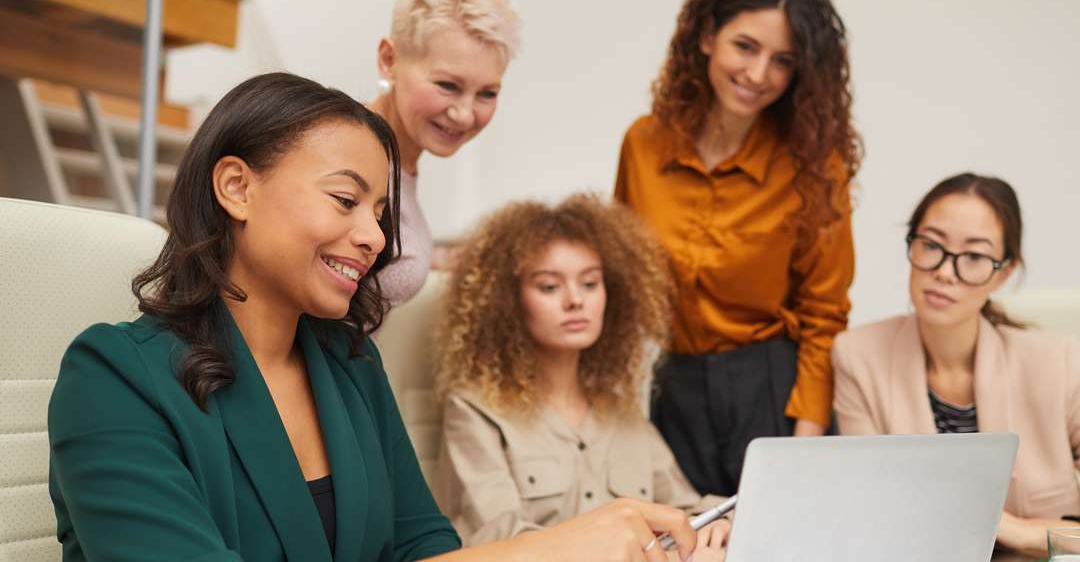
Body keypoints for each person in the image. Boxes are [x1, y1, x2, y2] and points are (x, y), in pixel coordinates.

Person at [47, 73, 707, 562]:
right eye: (345, 200)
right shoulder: (112, 377)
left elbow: (422, 545)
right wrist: (558, 547)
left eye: (381, 215)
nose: (373, 237)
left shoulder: (350, 367)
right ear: (236, 187)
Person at [614, 0, 862, 496]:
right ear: (707, 35)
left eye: (783, 61)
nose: (758, 74)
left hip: (772, 391)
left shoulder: (815, 167)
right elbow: (622, 281)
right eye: (745, 46)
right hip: (674, 389)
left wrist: (806, 441)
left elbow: (824, 317)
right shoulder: (643, 144)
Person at [432, 194, 729, 558]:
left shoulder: (621, 412)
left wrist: (715, 521)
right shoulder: (475, 410)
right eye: (549, 287)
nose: (575, 300)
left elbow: (683, 509)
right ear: (507, 301)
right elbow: (494, 538)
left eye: (590, 283)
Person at [832, 172, 1080, 558]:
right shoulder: (858, 356)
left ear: (1004, 273)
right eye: (931, 245)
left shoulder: (1060, 363)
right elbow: (872, 511)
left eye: (975, 257)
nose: (945, 272)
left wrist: (1016, 530)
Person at [370, 0, 521, 308]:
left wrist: (430, 255)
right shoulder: (347, 155)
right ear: (389, 60)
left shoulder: (401, 160)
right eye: (447, 85)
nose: (465, 115)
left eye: (487, 93)